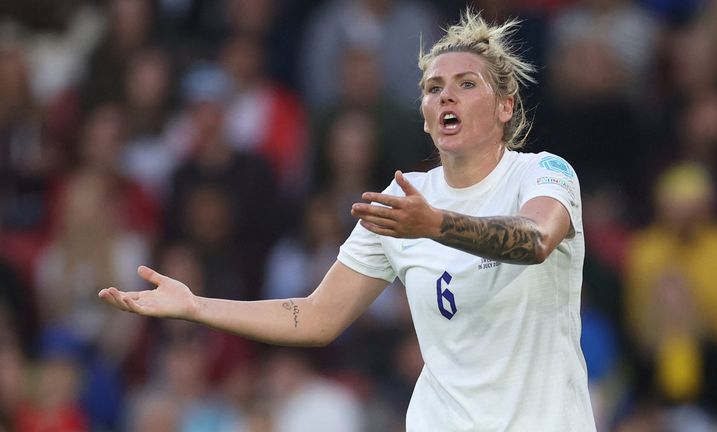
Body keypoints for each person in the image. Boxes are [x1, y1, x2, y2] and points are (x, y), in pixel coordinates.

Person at [99, 10, 596, 431]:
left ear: (505, 106)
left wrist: (437, 226)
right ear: (424, 114)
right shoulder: (403, 203)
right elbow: (316, 317)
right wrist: (195, 306)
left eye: (467, 84)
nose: (447, 96)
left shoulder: (544, 173)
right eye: (434, 88)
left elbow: (534, 240)